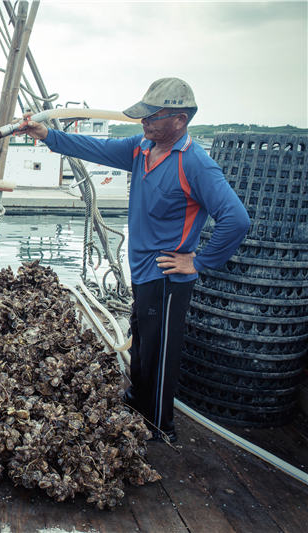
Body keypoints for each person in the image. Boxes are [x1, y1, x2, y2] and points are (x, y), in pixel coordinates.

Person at [20, 78, 250, 442]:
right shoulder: (141, 148)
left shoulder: (195, 164)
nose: (143, 123)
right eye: (142, 116)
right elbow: (94, 147)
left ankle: (161, 427)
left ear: (180, 119)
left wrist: (200, 262)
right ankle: (136, 401)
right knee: (141, 339)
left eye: (151, 117)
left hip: (168, 277)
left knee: (160, 353)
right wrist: (47, 135)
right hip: (142, 269)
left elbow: (237, 219)